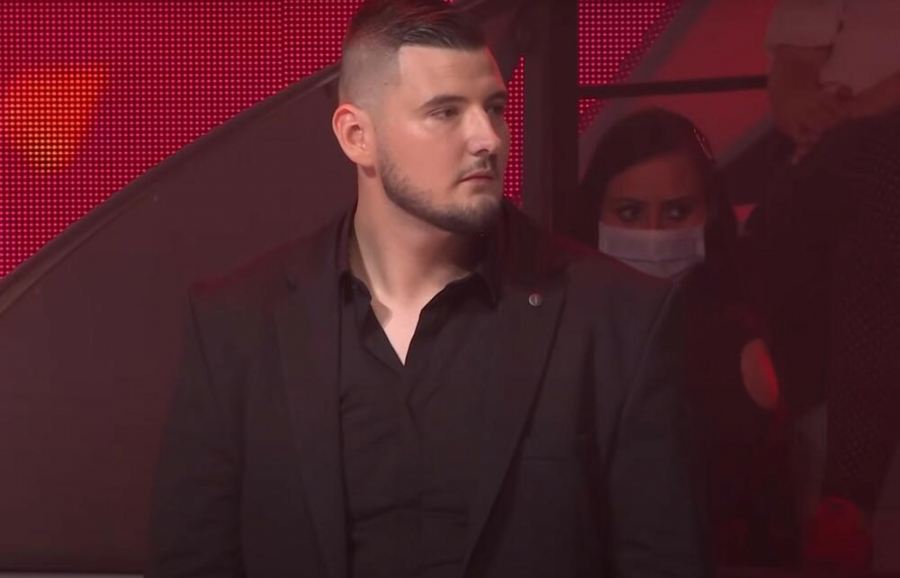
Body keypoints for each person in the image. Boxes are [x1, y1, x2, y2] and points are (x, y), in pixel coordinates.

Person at [147, 1, 708, 577]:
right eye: (445, 112)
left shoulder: (617, 318)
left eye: (495, 108)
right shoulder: (240, 325)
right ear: (357, 136)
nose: (487, 138)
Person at [582, 108, 795, 566]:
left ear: (709, 213)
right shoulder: (557, 336)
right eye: (629, 213)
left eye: (677, 212)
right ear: (595, 213)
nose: (653, 235)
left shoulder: (738, 346)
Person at [762, 0, 900, 568]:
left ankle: (846, 504)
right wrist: (811, 112)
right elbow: (793, 63)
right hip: (834, 153)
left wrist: (857, 116)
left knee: (881, 169)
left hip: (874, 148)